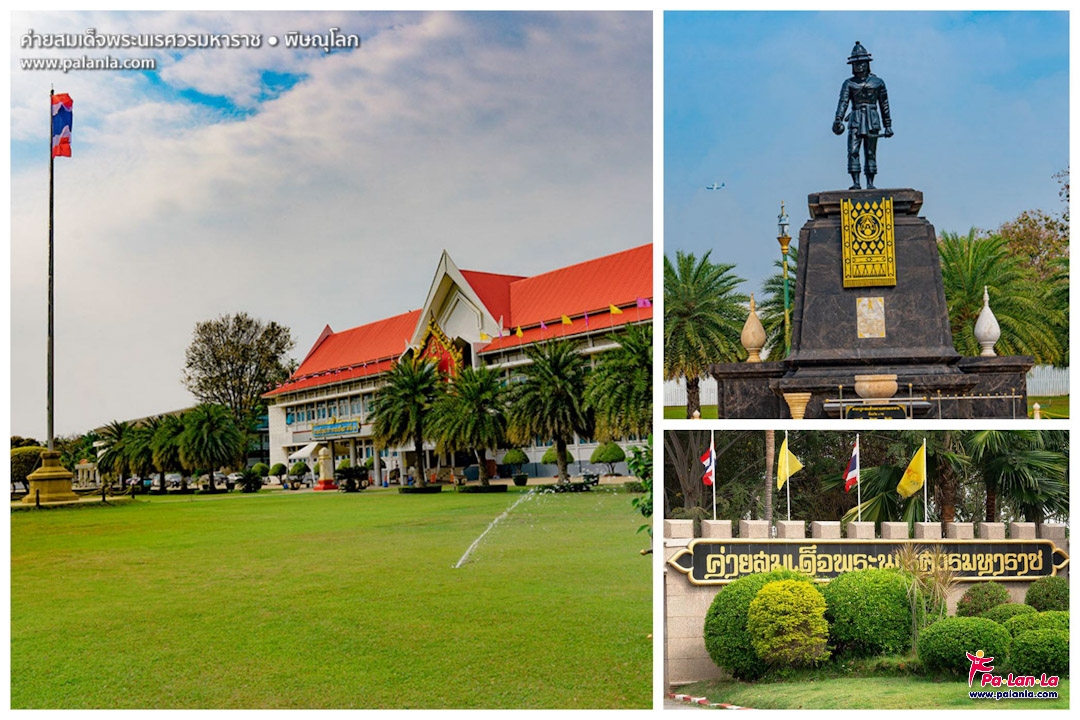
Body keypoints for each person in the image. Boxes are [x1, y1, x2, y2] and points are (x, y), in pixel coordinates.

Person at [832, 41, 892, 190]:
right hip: (856, 119)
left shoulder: (878, 82)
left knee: (870, 152)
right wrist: (838, 118)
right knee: (853, 151)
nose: (859, 66)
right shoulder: (848, 83)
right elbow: (843, 102)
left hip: (872, 118)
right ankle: (856, 182)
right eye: (856, 64)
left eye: (862, 63)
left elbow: (884, 104)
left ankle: (870, 182)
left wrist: (888, 125)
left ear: (867, 63)